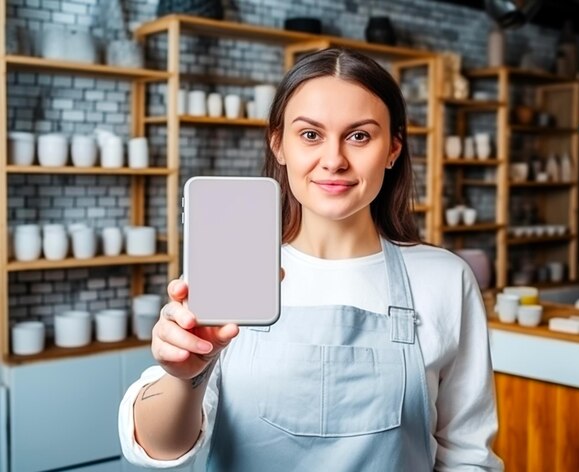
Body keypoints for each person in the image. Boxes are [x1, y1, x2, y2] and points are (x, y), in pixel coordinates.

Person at [119, 47, 503, 471]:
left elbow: (468, 456)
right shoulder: (230, 268)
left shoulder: (445, 280)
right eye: (310, 135)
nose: (334, 160)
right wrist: (187, 375)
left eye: (359, 136)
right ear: (278, 144)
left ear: (393, 149)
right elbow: (160, 448)